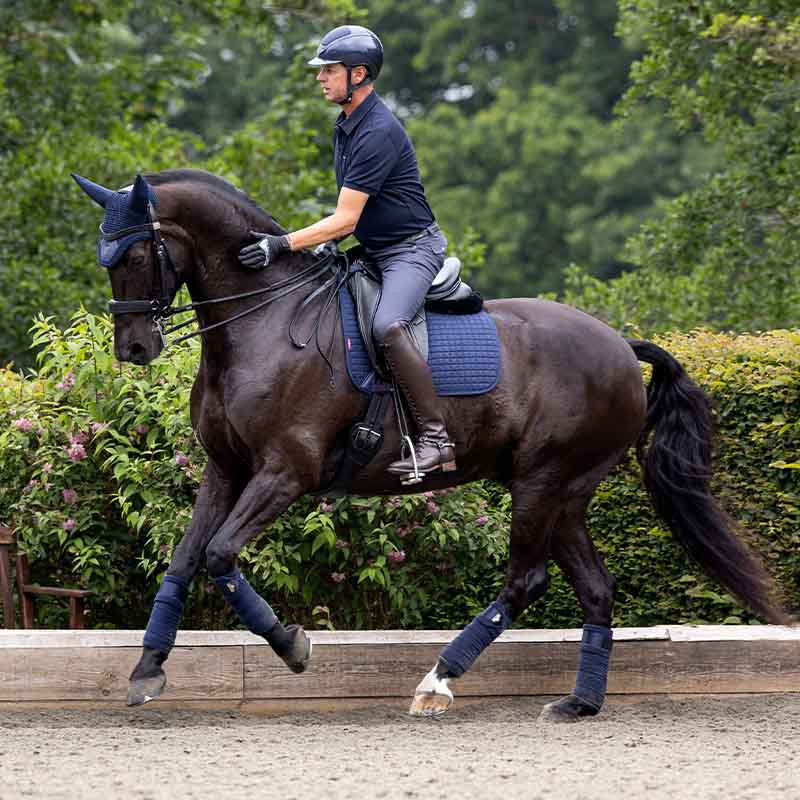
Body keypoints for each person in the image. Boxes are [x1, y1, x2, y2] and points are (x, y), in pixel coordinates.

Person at [238, 24, 456, 480]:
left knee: (388, 326)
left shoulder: (376, 130)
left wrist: (281, 244)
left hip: (410, 251)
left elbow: (345, 218)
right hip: (375, 250)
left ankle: (438, 440)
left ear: (358, 74)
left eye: (329, 70)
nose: (320, 78)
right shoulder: (347, 124)